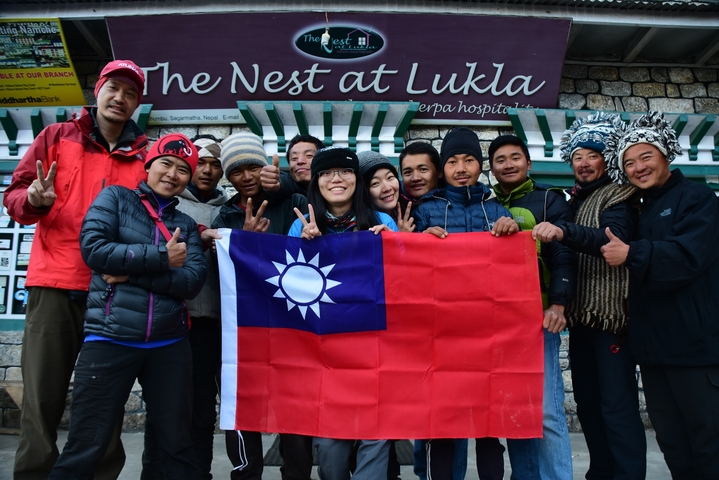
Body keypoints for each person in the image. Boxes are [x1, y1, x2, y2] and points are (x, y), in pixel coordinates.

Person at [3, 59, 149, 480]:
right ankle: (34, 473)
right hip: (54, 281)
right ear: (98, 91)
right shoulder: (56, 137)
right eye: (113, 88)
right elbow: (15, 197)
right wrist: (34, 199)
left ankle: (100, 474)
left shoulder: (144, 154)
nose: (120, 98)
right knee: (42, 395)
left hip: (114, 287)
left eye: (131, 93)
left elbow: (156, 215)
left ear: (138, 102)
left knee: (105, 395)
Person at [48, 132, 208, 479]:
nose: (172, 174)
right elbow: (95, 251)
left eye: (183, 169)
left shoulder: (185, 225)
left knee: (175, 446)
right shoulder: (115, 199)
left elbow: (192, 282)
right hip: (109, 338)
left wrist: (130, 274)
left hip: (169, 345)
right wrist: (163, 258)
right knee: (86, 445)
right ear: (149, 165)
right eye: (166, 163)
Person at [600, 111, 719, 479]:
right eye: (629, 162)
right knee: (672, 444)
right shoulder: (638, 208)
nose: (638, 167)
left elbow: (687, 257)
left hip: (696, 351)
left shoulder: (699, 199)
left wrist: (631, 254)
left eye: (645, 156)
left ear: (666, 154)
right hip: (653, 353)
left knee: (709, 444)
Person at [532, 112, 646, 479]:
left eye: (592, 155)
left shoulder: (619, 196)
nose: (583, 162)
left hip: (610, 317)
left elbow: (612, 239)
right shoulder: (577, 201)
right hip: (582, 317)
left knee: (617, 406)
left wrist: (564, 231)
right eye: (578, 156)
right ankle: (600, 473)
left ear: (607, 159)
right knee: (589, 405)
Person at [411, 127, 518, 480]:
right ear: (442, 169)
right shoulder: (426, 209)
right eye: (452, 161)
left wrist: (511, 229)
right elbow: (406, 263)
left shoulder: (497, 208)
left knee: (489, 426)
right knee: (443, 424)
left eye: (469, 160)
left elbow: (516, 264)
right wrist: (420, 241)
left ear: (480, 165)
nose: (461, 167)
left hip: (490, 331)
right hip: (440, 331)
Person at [288, 146, 396, 480]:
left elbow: (407, 285)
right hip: (324, 350)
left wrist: (397, 247)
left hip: (375, 344)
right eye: (326, 173)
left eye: (345, 171)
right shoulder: (300, 226)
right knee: (331, 442)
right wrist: (304, 249)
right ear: (316, 182)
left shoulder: (383, 221)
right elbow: (288, 291)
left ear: (356, 180)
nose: (337, 178)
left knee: (376, 431)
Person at [212, 132, 309, 480]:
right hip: (242, 328)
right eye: (237, 172)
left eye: (254, 167)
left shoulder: (292, 199)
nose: (247, 177)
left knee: (293, 411)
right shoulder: (224, 217)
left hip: (291, 326)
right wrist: (244, 243)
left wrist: (280, 182)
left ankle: (296, 474)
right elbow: (216, 270)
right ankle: (245, 473)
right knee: (241, 406)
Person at [487, 135, 576, 480]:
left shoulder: (549, 200)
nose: (508, 164)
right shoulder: (486, 203)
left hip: (537, 320)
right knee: (515, 410)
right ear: (491, 168)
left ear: (529, 163)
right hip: (497, 323)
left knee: (547, 412)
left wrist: (558, 303)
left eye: (515, 158)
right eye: (500, 160)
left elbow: (564, 254)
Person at [141, 135, 228, 480]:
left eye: (215, 164)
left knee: (202, 412)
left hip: (213, 323)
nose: (207, 171)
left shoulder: (229, 210)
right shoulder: (166, 204)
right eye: (200, 163)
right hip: (172, 320)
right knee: (164, 411)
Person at [358, 150, 415, 233]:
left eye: (390, 177)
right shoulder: (359, 225)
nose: (387, 188)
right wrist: (400, 238)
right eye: (375, 183)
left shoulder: (413, 213)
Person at [261, 134, 325, 196]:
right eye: (294, 158)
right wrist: (275, 183)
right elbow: (285, 180)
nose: (300, 161)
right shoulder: (291, 197)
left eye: (309, 155)